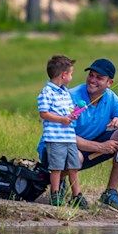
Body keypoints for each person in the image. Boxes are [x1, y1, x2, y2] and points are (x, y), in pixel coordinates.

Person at [69, 58, 118, 213]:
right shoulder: (72, 96)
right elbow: (65, 136)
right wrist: (100, 146)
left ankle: (110, 193)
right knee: (76, 155)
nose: (92, 80)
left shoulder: (110, 97)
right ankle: (66, 190)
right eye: (91, 75)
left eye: (99, 78)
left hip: (88, 149)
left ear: (109, 83)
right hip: (64, 148)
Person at [37, 55, 88, 209]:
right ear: (63, 75)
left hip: (69, 138)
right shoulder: (46, 92)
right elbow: (44, 113)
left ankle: (76, 196)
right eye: (71, 73)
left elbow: (67, 113)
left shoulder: (65, 92)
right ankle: (55, 195)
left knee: (73, 166)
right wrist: (62, 120)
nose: (72, 77)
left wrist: (76, 112)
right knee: (57, 168)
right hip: (55, 139)